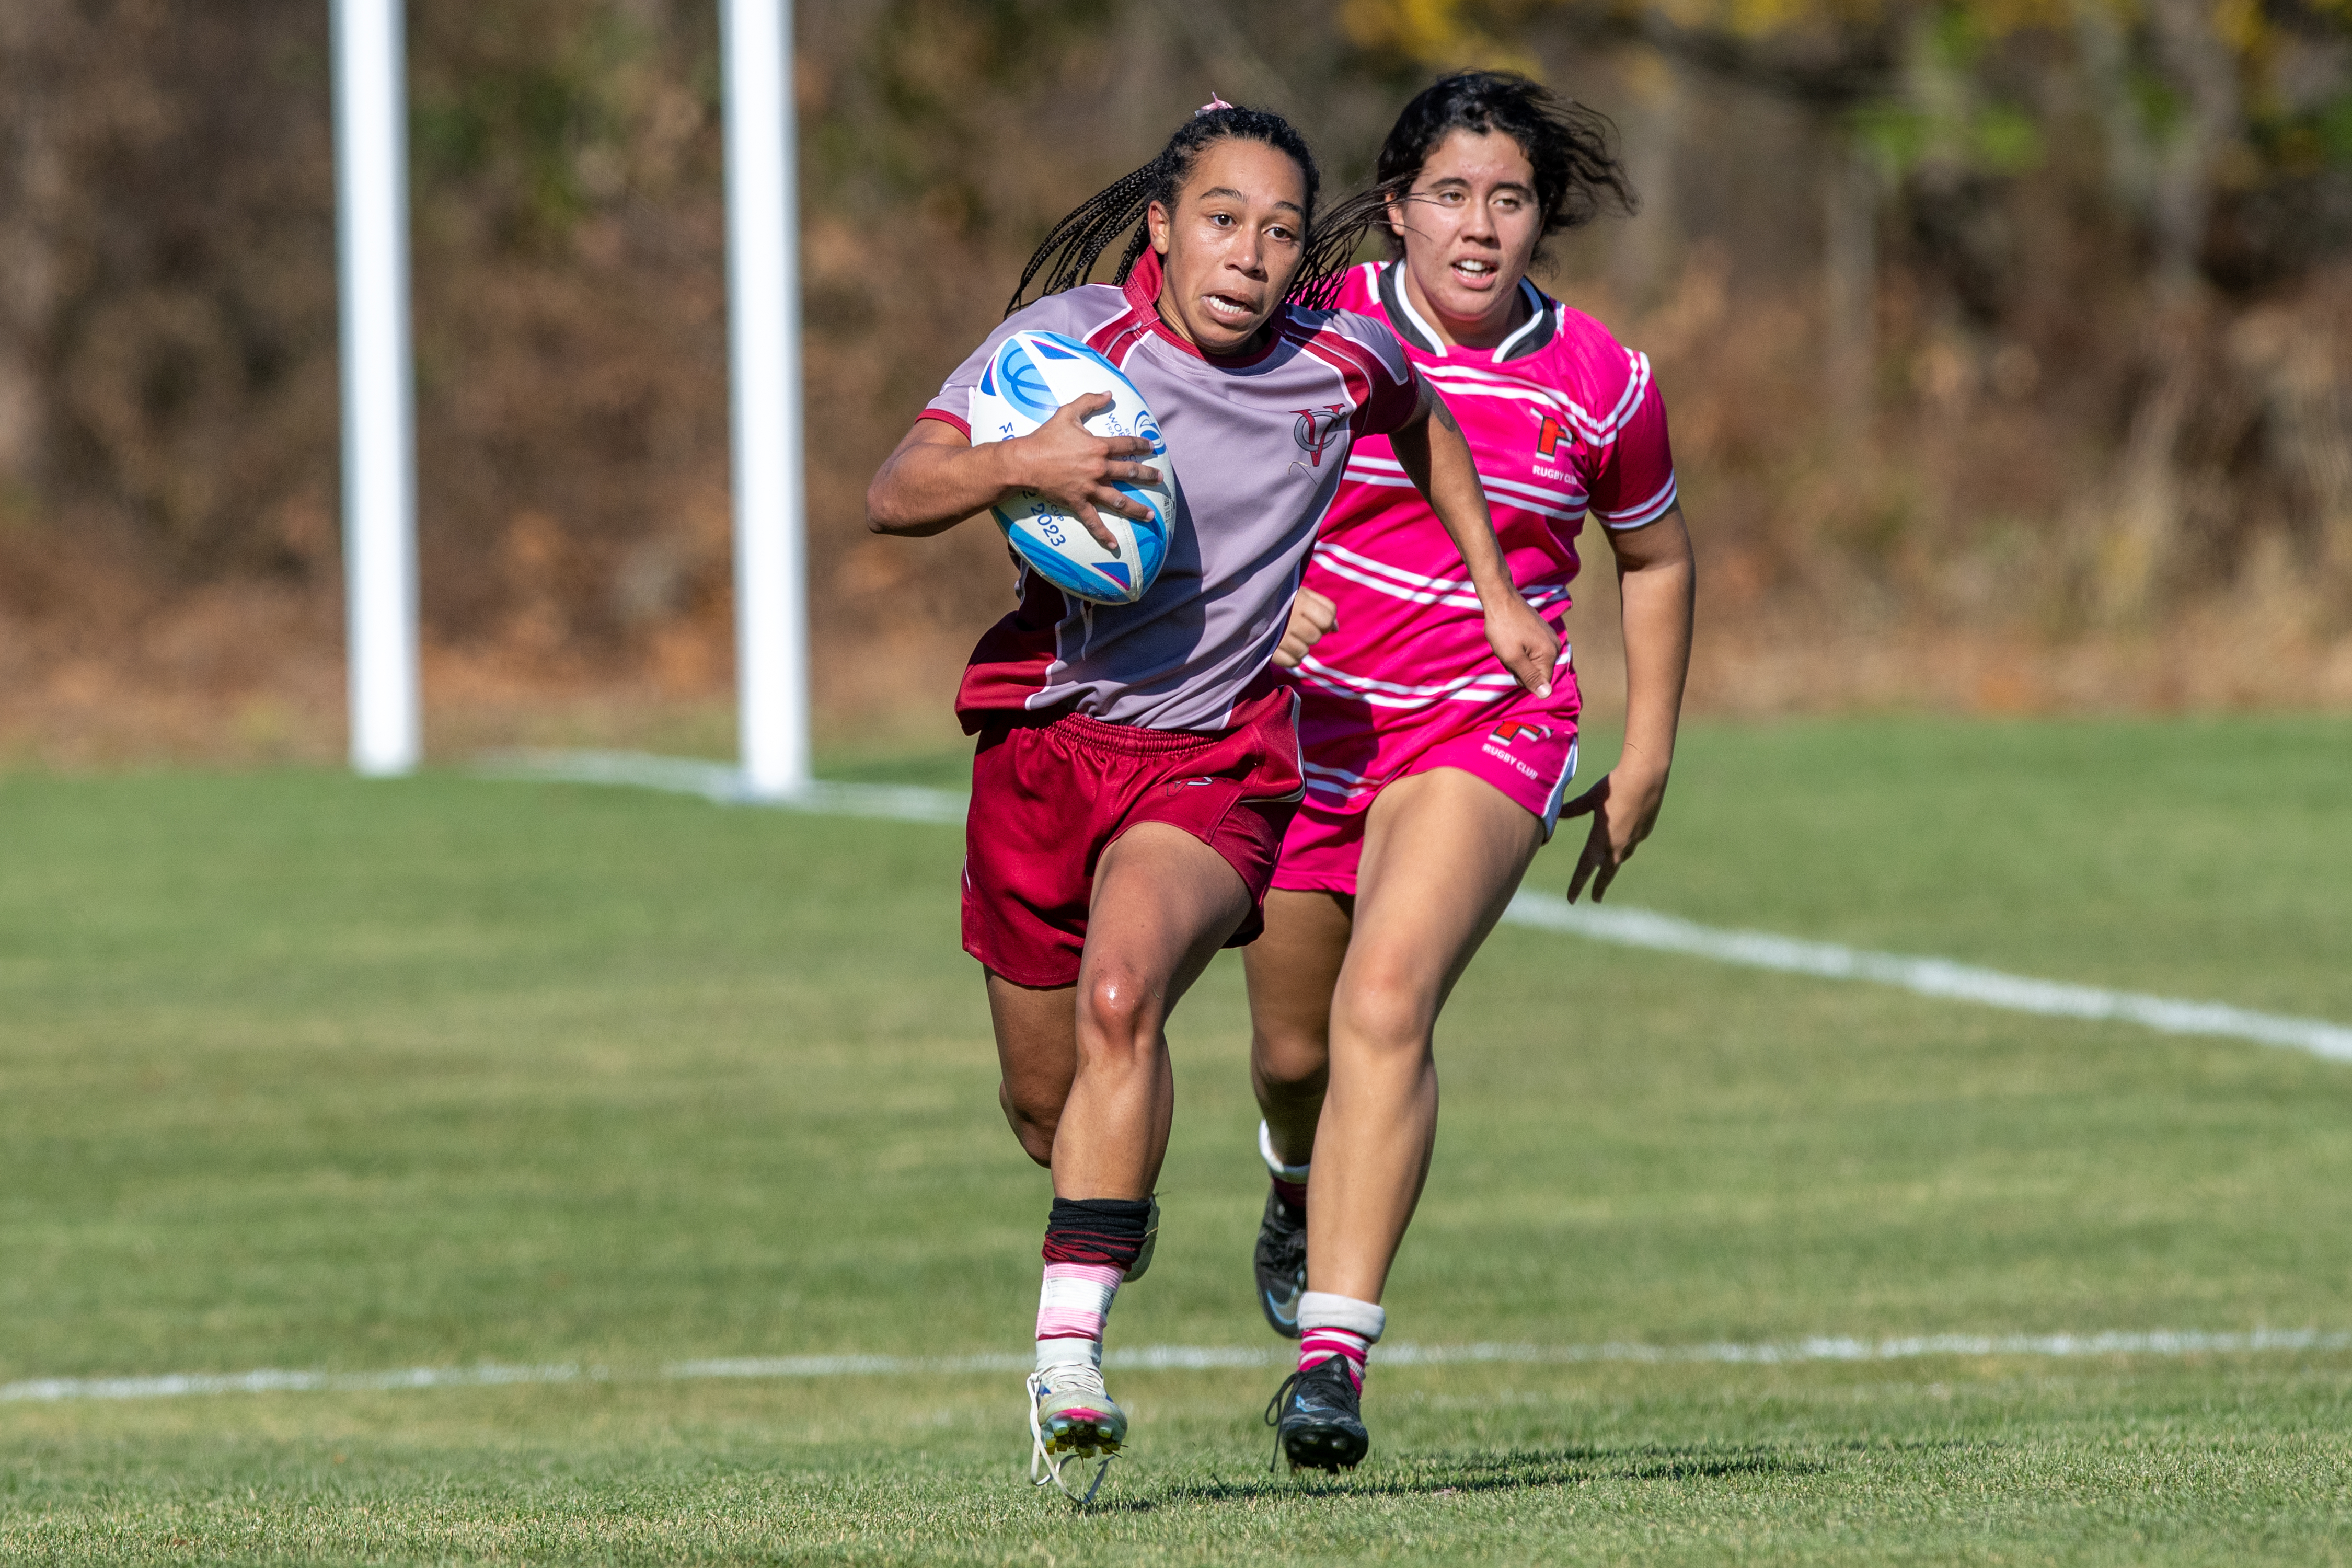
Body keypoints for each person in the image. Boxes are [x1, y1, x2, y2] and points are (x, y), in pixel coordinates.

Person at [864, 99, 1559, 1500]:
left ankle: (1067, 1361)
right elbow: (897, 489)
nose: (1249, 254)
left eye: (1282, 230)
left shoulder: (1337, 357)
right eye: (1223, 221)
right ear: (1164, 230)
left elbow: (1426, 429)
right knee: (1043, 1095)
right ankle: (1105, 1205)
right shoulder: (1068, 344)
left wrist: (1495, 591)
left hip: (1216, 758)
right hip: (1046, 750)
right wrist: (1023, 466)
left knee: (1126, 996)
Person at [1244, 72, 1697, 1472]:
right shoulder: (1310, 333)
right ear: (1395, 207)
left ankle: (1333, 1359)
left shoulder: (1603, 381)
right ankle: (1292, 1177)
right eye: (1449, 194)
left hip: (1488, 723)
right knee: (1291, 1051)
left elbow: (1656, 557)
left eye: (1507, 199)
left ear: (1537, 219)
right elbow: (1203, 479)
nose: (1479, 226)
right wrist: (1260, 606)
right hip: (1304, 725)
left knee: (1390, 996)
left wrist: (1649, 752)